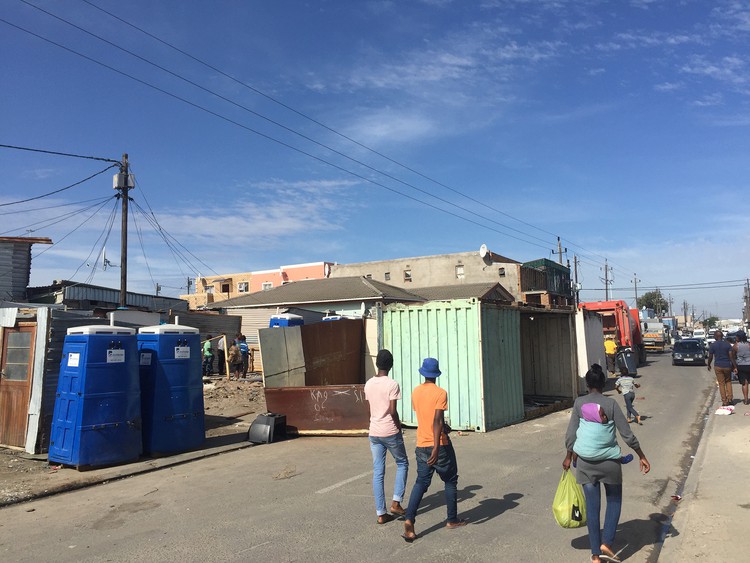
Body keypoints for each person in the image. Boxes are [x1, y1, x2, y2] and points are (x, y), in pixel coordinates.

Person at [563, 363, 650, 563]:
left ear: (587, 384)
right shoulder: (610, 405)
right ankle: (606, 543)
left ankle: (595, 555)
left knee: (592, 509)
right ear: (603, 383)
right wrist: (641, 455)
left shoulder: (579, 403)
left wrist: (569, 457)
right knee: (614, 501)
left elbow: (571, 435)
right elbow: (627, 435)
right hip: (609, 463)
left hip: (585, 464)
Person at [402, 357, 466, 542]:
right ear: (436, 374)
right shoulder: (440, 393)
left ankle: (409, 519)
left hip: (421, 443)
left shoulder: (416, 392)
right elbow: (436, 420)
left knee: (421, 483)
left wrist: (442, 427)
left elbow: (425, 417)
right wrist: (437, 446)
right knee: (450, 480)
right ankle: (452, 519)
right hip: (439, 445)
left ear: (423, 373)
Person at [364, 349, 408, 524]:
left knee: (378, 472)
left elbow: (370, 410)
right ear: (391, 365)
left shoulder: (368, 384)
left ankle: (381, 513)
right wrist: (398, 427)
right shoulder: (392, 384)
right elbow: (392, 411)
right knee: (403, 462)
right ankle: (396, 502)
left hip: (374, 432)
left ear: (377, 364)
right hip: (389, 431)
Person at [707, 330, 736, 407]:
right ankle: (730, 399)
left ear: (716, 336)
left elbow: (710, 356)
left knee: (721, 383)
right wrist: (734, 366)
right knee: (728, 381)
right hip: (727, 365)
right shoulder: (727, 345)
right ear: (722, 336)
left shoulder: (713, 345)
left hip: (718, 366)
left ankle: (724, 401)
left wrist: (708, 364)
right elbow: (731, 356)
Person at [732, 331, 750, 405]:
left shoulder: (735, 346)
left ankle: (745, 399)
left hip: (741, 366)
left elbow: (733, 357)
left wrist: (735, 367)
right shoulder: (749, 345)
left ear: (739, 337)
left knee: (744, 383)